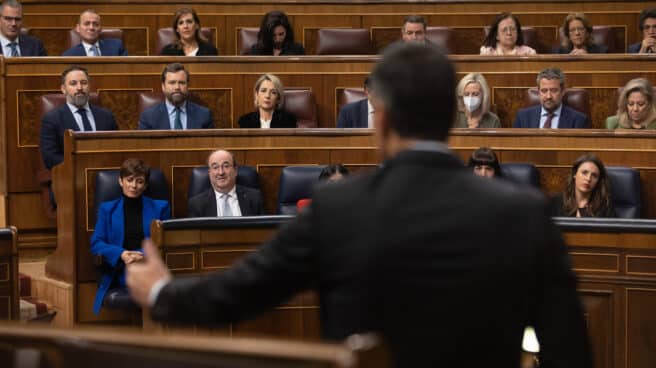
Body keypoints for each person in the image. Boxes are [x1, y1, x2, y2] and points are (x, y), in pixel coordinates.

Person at [127, 43, 591, 368]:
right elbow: (570, 354)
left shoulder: (337, 208)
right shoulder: (526, 213)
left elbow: (241, 291)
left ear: (381, 117)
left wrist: (164, 293)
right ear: (452, 116)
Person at [91, 158, 170, 314]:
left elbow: (168, 241)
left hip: (150, 266)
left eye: (140, 181)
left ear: (145, 185)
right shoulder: (108, 209)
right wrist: (121, 254)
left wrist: (144, 256)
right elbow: (96, 243)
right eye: (130, 180)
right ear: (121, 181)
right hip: (120, 269)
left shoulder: (160, 207)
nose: (134, 186)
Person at [40, 65, 118, 170]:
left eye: (84, 83)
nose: (80, 88)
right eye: (73, 83)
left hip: (104, 174)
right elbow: (50, 158)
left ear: (89, 86)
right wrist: (83, 165)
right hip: (71, 174)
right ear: (63, 89)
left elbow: (116, 149)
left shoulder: (106, 116)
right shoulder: (52, 119)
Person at [187, 150, 265, 217]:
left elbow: (263, 230)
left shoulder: (254, 198)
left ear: (235, 171)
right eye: (215, 167)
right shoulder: (197, 204)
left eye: (226, 166)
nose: (221, 172)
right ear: (209, 173)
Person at [138, 63, 214, 130]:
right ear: (163, 86)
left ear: (187, 86)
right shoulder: (148, 117)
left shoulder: (204, 115)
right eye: (172, 83)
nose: (177, 87)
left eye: (181, 83)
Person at [513, 68, 589, 129]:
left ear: (563, 91)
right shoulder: (523, 117)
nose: (548, 96)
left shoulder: (579, 120)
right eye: (544, 91)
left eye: (554, 90)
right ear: (538, 92)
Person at [62, 9, 128, 56]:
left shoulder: (116, 46)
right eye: (86, 24)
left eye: (96, 24)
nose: (91, 28)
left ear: (100, 28)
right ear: (78, 28)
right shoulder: (69, 55)